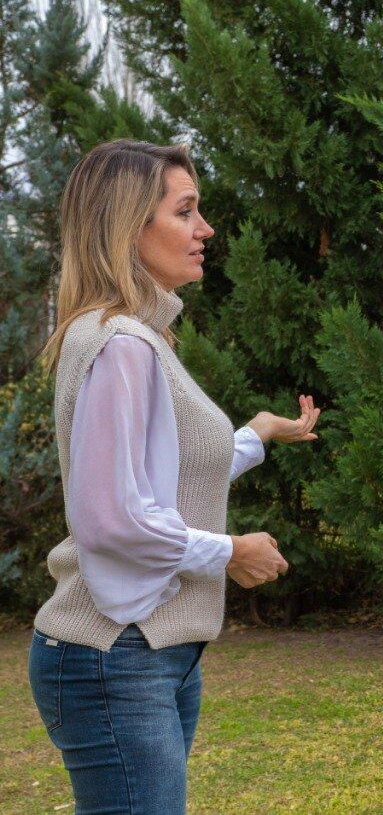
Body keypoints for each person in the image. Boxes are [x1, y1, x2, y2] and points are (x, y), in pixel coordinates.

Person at [28, 139, 321, 813]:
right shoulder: (122, 346)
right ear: (130, 225)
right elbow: (112, 520)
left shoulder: (131, 335)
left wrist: (255, 434)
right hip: (115, 653)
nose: (205, 229)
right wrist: (230, 552)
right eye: (186, 211)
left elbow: (163, 474)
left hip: (147, 653)